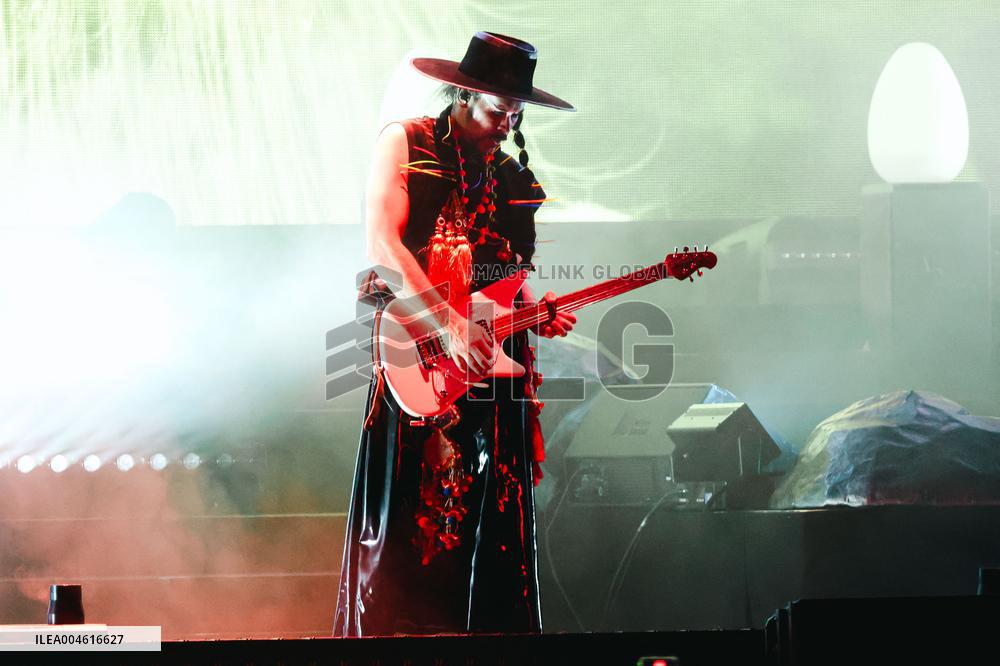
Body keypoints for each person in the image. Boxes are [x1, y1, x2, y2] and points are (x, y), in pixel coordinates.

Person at [334, 32, 577, 636]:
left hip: (488, 369)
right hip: (415, 356)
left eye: (515, 115)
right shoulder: (406, 142)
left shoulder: (515, 181)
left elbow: (508, 280)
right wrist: (447, 323)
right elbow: (383, 246)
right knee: (407, 510)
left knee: (493, 519)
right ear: (465, 96)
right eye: (499, 111)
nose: (506, 125)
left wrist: (536, 310)